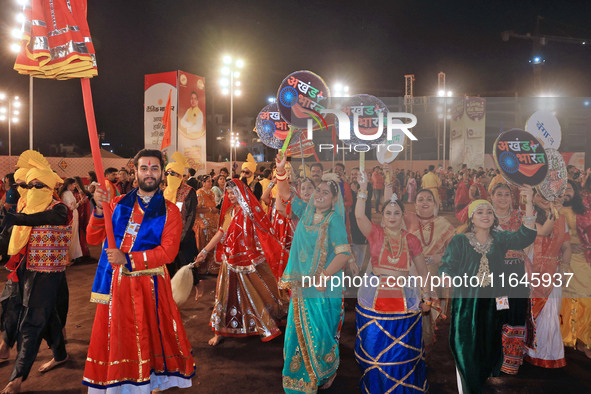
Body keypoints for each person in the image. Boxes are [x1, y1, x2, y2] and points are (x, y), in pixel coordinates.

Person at [83, 149, 195, 392]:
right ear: (135, 171)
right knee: (119, 338)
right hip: (118, 286)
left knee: (150, 337)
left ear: (162, 173)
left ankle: (148, 384)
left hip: (151, 287)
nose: (149, 173)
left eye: (154, 168)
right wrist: (99, 211)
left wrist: (128, 258)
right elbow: (93, 238)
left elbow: (168, 253)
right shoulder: (116, 203)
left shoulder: (170, 211)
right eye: (144, 168)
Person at [440, 191, 537, 394]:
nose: (485, 215)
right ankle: (468, 388)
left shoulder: (499, 239)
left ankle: (480, 381)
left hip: (495, 302)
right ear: (471, 219)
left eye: (489, 212)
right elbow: (447, 267)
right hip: (467, 304)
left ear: (494, 218)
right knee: (465, 347)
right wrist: (446, 278)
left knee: (489, 347)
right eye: (480, 212)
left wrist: (528, 203)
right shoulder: (460, 241)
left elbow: (524, 237)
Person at [276, 152, 352, 393]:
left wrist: (324, 276)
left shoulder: (334, 220)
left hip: (322, 286)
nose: (319, 195)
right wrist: (281, 170)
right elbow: (286, 193)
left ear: (333, 199)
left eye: (325, 193)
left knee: (320, 332)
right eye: (317, 191)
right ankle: (299, 376)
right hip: (301, 285)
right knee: (297, 332)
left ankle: (324, 371)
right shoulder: (305, 211)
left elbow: (343, 253)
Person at [355, 175, 432, 393]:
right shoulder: (375, 233)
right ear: (382, 215)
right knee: (375, 349)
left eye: (396, 212)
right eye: (388, 212)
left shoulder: (412, 240)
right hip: (374, 299)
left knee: (403, 354)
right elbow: (359, 216)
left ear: (402, 215)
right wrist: (363, 189)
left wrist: (427, 296)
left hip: (405, 301)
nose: (392, 216)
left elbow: (423, 272)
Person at [0, 158, 70, 393]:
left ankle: (17, 378)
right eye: (29, 186)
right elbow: (11, 237)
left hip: (48, 275)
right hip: (25, 270)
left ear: (52, 188)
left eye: (39, 186)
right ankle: (60, 354)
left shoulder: (58, 209)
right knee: (43, 316)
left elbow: (40, 219)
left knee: (32, 321)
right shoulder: (24, 206)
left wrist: (18, 218)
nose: (31, 190)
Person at [195, 179, 287, 346]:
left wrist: (264, 252)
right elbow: (221, 234)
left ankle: (261, 324)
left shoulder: (251, 212)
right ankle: (220, 331)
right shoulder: (230, 212)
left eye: (233, 193)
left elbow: (264, 232)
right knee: (224, 296)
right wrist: (204, 251)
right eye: (228, 193)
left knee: (255, 294)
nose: (230, 196)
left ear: (241, 193)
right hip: (229, 261)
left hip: (247, 261)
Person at [525, 190, 571, 368]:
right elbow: (543, 232)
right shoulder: (528, 216)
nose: (544, 200)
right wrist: (554, 211)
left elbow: (566, 247)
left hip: (553, 271)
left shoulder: (561, 218)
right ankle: (528, 352)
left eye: (548, 196)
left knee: (551, 313)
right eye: (540, 195)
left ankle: (547, 355)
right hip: (531, 270)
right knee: (531, 313)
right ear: (533, 197)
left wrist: (564, 269)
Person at [405, 188, 456, 346]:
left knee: (426, 309)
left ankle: (425, 344)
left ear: (435, 204)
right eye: (421, 199)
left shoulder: (443, 224)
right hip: (408, 271)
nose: (425, 202)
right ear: (415, 204)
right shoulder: (407, 219)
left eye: (429, 199)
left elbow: (455, 252)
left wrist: (439, 257)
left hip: (433, 272)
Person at [490, 182, 529, 374]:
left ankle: (512, 361)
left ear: (512, 198)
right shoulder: (486, 217)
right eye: (499, 194)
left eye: (507, 194)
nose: (503, 198)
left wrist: (528, 199)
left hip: (517, 273)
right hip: (498, 275)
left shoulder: (520, 217)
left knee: (517, 310)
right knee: (500, 310)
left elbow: (530, 233)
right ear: (492, 196)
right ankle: (496, 357)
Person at [560, 180, 591, 359]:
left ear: (575, 192)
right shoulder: (553, 210)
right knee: (567, 298)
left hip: (582, 260)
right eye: (562, 190)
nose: (566, 193)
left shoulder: (583, 210)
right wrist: (569, 244)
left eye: (569, 189)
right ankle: (571, 339)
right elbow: (548, 235)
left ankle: (584, 339)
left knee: (586, 298)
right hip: (563, 259)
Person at [163, 152, 199, 291]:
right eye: (167, 173)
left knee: (187, 263)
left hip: (184, 235)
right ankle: (170, 291)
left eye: (172, 173)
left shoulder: (189, 191)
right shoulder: (165, 192)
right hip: (167, 235)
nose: (169, 176)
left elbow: (191, 215)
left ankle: (196, 287)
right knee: (169, 264)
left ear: (179, 175)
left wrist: (182, 235)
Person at [193, 175, 220, 275]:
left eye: (210, 181)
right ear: (203, 183)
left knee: (212, 244)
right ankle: (202, 269)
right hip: (203, 222)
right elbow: (196, 209)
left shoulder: (212, 193)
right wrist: (209, 210)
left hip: (213, 221)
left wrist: (215, 209)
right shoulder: (199, 193)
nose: (210, 183)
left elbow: (214, 206)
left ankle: (212, 268)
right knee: (204, 244)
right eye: (208, 181)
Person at [58, 178, 84, 263]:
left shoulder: (66, 193)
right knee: (73, 234)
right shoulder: (67, 194)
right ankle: (72, 255)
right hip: (72, 214)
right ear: (69, 185)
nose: (75, 186)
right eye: (73, 184)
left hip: (72, 214)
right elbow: (71, 206)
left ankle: (74, 255)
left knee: (73, 234)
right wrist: (78, 204)